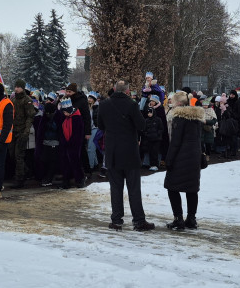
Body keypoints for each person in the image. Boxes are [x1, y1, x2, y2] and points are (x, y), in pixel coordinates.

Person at [98, 80, 155, 231]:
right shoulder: (132, 105)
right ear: (128, 91)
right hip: (129, 151)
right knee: (134, 188)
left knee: (115, 188)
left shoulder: (104, 105)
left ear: (114, 89)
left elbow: (100, 125)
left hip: (112, 151)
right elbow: (141, 125)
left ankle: (116, 220)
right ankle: (139, 221)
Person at [164, 91, 203, 231]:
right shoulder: (196, 118)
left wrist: (169, 160)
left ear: (179, 103)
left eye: (173, 101)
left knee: (171, 187)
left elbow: (175, 142)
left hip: (180, 158)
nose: (171, 103)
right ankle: (191, 219)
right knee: (192, 189)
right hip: (194, 158)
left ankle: (178, 219)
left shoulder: (179, 118)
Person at [9, 81, 36, 189]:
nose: (16, 89)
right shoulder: (13, 100)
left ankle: (19, 179)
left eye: (19, 87)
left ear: (23, 88)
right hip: (13, 131)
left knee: (19, 156)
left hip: (22, 131)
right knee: (12, 154)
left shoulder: (27, 100)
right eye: (15, 86)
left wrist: (26, 131)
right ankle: (26, 171)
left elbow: (30, 117)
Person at [57, 97, 85, 188]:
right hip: (66, 143)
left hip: (74, 144)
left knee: (75, 162)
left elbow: (78, 133)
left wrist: (71, 142)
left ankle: (79, 180)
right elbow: (62, 130)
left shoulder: (77, 118)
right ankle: (66, 181)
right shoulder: (66, 117)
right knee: (65, 163)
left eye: (65, 112)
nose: (64, 114)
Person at [142, 95, 164, 170]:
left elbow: (161, 127)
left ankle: (156, 164)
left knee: (155, 152)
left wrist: (158, 134)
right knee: (150, 151)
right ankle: (149, 164)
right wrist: (146, 134)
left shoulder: (159, 113)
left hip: (156, 138)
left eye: (153, 101)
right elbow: (144, 128)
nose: (151, 102)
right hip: (149, 138)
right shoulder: (147, 118)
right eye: (151, 101)